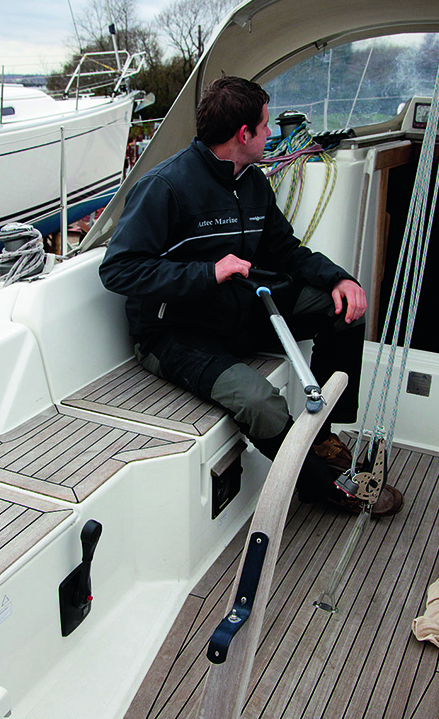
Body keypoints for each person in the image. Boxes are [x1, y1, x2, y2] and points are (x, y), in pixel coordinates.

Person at [100, 76, 402, 516]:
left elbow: (284, 249)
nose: (271, 134)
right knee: (261, 403)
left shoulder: (253, 182)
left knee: (343, 311)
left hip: (241, 312)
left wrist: (339, 279)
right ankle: (323, 486)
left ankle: (323, 438)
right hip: (176, 335)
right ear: (245, 134)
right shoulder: (166, 186)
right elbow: (118, 269)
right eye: (265, 126)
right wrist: (208, 272)